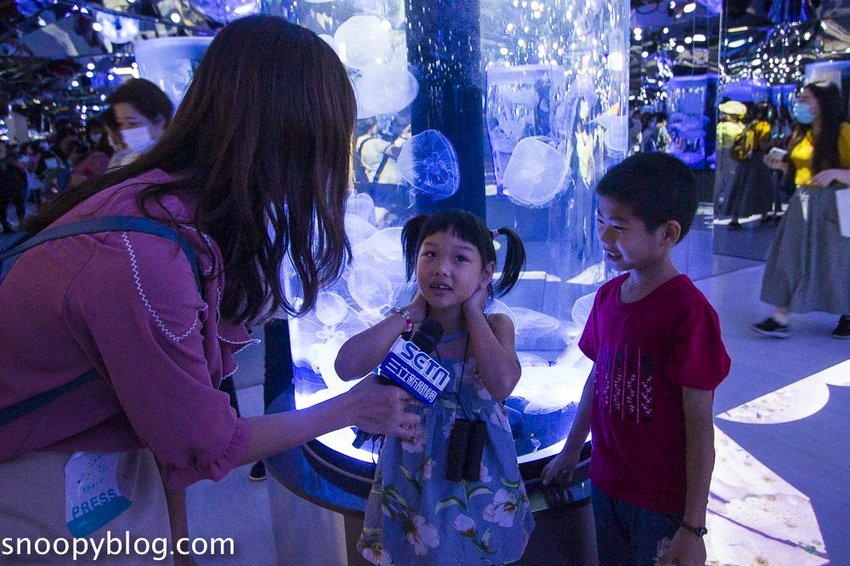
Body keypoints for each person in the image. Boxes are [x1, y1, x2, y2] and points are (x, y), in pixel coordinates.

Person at [0, 15, 418, 561]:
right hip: (37, 486)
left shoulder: (159, 208)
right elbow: (207, 442)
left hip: (101, 463)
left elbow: (158, 410)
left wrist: (179, 543)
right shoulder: (145, 257)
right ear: (293, 137)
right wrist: (351, 408)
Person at [541, 152, 731, 566]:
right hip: (607, 480)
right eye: (600, 223)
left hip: (662, 499)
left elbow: (700, 424)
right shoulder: (609, 297)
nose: (605, 239)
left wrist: (693, 527)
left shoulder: (688, 311)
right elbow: (597, 378)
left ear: (668, 233)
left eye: (620, 227)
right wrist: (574, 449)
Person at [335, 209, 535, 565]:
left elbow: (502, 384)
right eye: (430, 254)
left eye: (460, 258)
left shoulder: (496, 325)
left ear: (486, 272)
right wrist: (408, 314)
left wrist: (474, 313)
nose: (441, 268)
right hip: (412, 476)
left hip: (480, 481)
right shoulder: (405, 326)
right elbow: (346, 366)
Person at [757, 82, 850, 339]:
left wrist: (836, 173)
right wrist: (782, 166)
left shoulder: (842, 132)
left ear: (823, 102)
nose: (800, 102)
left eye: (806, 98)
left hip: (834, 204)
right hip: (804, 200)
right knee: (789, 253)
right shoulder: (804, 133)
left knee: (836, 259)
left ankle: (847, 312)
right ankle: (781, 315)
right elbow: (802, 169)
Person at [724, 104, 776, 229]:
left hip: (745, 160)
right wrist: (773, 143)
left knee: (739, 188)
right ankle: (763, 215)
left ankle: (734, 218)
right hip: (758, 160)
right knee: (761, 188)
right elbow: (763, 145)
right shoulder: (764, 126)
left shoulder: (750, 125)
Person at [106, 78, 173, 167]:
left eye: (132, 123)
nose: (125, 131)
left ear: (160, 120)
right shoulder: (125, 160)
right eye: (121, 123)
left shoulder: (176, 160)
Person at [713, 100, 746, 211]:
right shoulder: (742, 127)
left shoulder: (722, 127)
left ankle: (720, 206)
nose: (723, 115)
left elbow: (719, 145)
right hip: (737, 157)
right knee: (732, 182)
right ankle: (729, 206)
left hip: (726, 155)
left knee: (723, 182)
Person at [0, 140, 28, 233]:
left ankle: (22, 224)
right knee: (2, 208)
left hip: (16, 186)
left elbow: (22, 171)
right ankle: (6, 226)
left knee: (20, 205)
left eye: (2, 146)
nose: (1, 149)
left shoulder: (11, 159)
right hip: (3, 189)